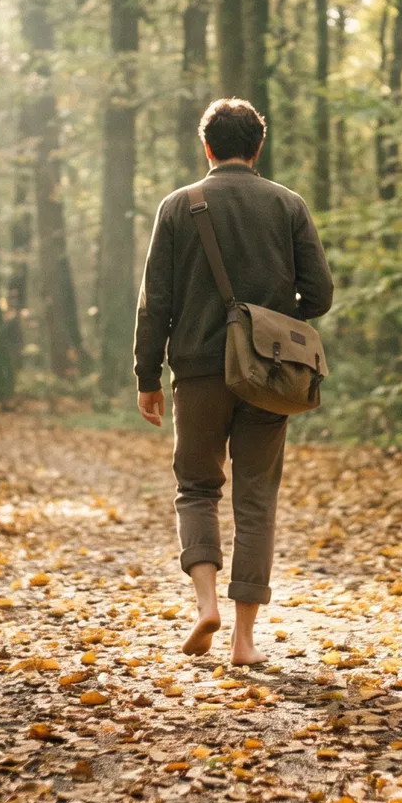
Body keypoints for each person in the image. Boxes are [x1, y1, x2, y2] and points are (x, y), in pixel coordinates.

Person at [132, 98, 334, 664]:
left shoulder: (178, 206)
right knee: (255, 498)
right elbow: (319, 295)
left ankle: (204, 607)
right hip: (268, 375)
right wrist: (268, 319)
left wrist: (148, 375)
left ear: (208, 147)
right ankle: (245, 640)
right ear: (258, 148)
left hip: (197, 371)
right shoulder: (288, 205)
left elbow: (156, 303)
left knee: (196, 487)